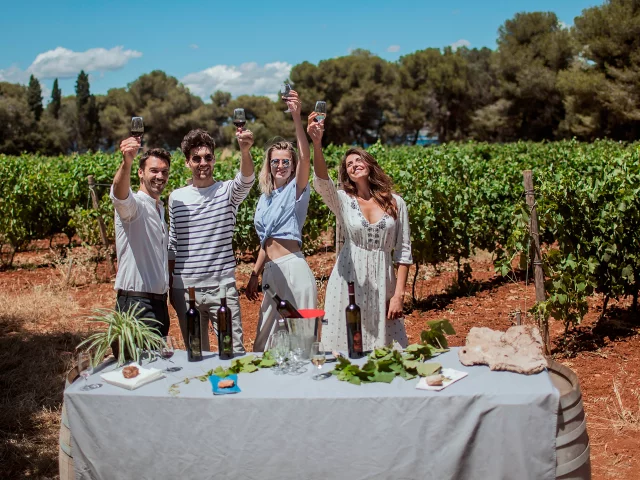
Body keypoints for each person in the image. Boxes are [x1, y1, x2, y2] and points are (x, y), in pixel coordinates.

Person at [307, 113, 413, 351]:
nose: (354, 165)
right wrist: (316, 143)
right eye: (349, 165)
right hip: (349, 278)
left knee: (386, 350)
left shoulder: (397, 202)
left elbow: (404, 253)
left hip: (383, 280)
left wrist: (399, 295)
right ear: (348, 175)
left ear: (369, 163)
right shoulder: (343, 200)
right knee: (345, 344)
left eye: (358, 160)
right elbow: (322, 182)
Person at [168, 128, 254, 353]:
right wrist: (171, 286)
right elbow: (173, 244)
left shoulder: (227, 192)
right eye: (196, 158)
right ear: (187, 163)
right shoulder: (176, 197)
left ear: (214, 160)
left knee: (233, 353)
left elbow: (246, 180)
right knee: (196, 356)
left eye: (207, 157)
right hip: (186, 291)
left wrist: (244, 151)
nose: (202, 162)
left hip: (222, 288)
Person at [245, 91, 317, 351]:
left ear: (292, 164)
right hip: (271, 271)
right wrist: (254, 273)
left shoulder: (296, 189)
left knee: (303, 337)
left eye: (286, 161)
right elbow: (265, 241)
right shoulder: (264, 197)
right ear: (269, 164)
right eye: (275, 161)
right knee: (264, 340)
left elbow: (306, 157)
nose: (280, 165)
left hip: (293, 267)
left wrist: (296, 117)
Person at [110, 138, 172, 336]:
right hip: (136, 306)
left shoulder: (159, 209)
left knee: (155, 366)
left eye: (164, 172)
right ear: (140, 173)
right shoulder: (134, 206)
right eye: (153, 171)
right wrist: (126, 162)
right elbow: (120, 194)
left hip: (159, 305)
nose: (159, 176)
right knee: (135, 367)